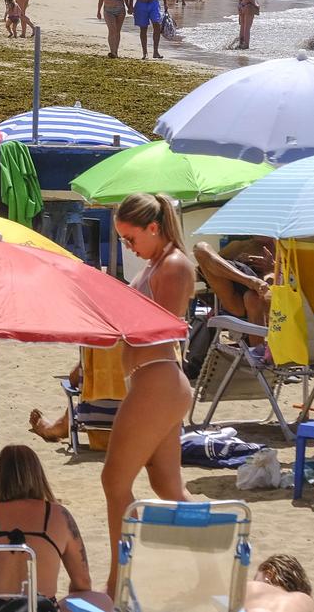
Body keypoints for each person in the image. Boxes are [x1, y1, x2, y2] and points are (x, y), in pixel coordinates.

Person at [102, 192, 195, 593]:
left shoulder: (173, 265)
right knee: (168, 488)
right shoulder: (160, 262)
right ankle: (222, 551)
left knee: (114, 481)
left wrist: (117, 313)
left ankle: (119, 580)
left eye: (130, 238)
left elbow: (164, 326)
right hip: (155, 380)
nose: (128, 246)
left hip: (157, 378)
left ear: (153, 228)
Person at [0, 446, 111, 612]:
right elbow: (82, 582)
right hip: (38, 607)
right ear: (38, 474)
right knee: (103, 600)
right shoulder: (58, 515)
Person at [244, 554, 314, 612]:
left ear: (269, 575)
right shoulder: (304, 600)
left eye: (256, 578)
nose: (254, 581)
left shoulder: (254, 587)